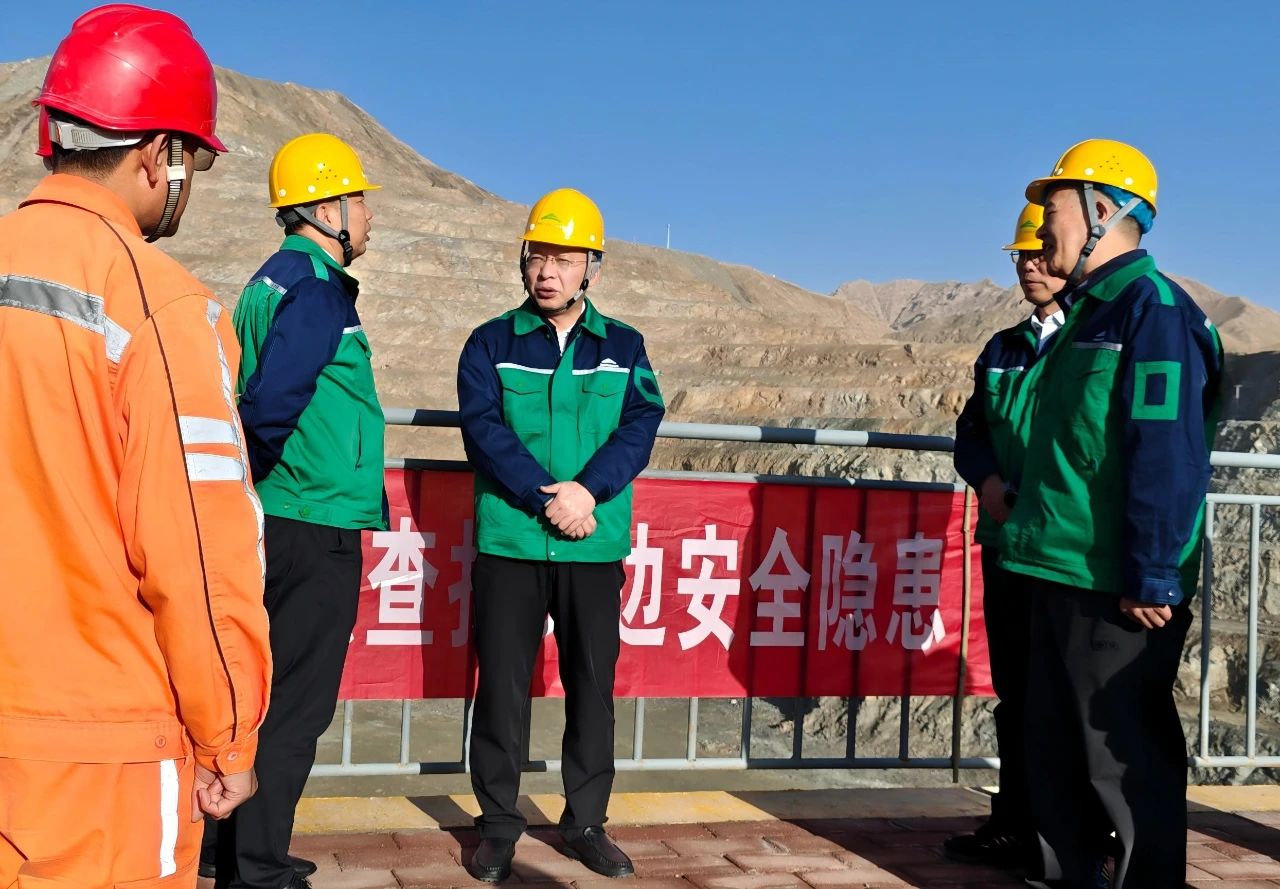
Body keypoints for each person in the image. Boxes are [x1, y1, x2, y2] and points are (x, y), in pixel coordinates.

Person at [0, 5, 271, 886]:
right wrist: (228, 736)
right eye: (193, 160)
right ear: (158, 154)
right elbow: (200, 551)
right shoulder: (158, 304)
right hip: (98, 756)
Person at [1000, 140, 1223, 889]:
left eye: (1055, 209)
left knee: (1119, 755)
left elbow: (1166, 452)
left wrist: (1152, 571)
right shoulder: (1083, 316)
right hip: (1054, 562)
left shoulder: (1153, 313)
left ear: (1103, 209)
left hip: (1113, 579)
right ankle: (1067, 875)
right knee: (1054, 745)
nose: (1043, 228)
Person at [457, 188, 665, 882]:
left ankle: (586, 823)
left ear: (592, 269)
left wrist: (587, 492)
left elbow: (640, 426)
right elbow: (484, 429)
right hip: (513, 542)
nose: (547, 271)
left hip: (591, 541)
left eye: (564, 259)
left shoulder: (624, 347)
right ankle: (497, 826)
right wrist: (546, 497)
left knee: (591, 687)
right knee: (503, 688)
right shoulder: (490, 342)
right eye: (537, 256)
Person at [206, 133, 387, 889]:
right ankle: (257, 866)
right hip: (310, 520)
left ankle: (232, 848)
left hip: (285, 514)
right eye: (359, 201)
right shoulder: (315, 288)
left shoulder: (272, 280)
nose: (368, 216)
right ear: (326, 209)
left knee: (259, 691)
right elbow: (272, 403)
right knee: (296, 705)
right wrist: (258, 482)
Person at [947, 203, 1067, 869]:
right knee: (1016, 691)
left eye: (1038, 252)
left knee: (1066, 696)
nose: (1028, 265)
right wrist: (988, 480)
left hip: (1066, 552)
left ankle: (1072, 835)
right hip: (1006, 544)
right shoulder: (1002, 349)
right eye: (1021, 256)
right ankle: (1015, 824)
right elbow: (971, 431)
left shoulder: (1092, 344)